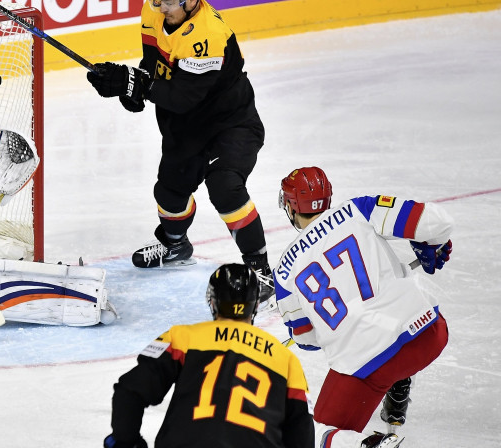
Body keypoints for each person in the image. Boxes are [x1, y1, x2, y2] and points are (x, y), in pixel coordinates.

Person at [84, 0, 272, 298]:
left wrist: (138, 85)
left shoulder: (207, 35)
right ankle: (176, 246)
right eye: (157, 0)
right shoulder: (152, 11)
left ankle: (260, 271)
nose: (161, 7)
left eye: (169, 2)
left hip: (229, 123)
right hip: (184, 127)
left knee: (225, 186)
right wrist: (131, 87)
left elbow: (184, 97)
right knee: (169, 193)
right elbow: (154, 64)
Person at [274, 167, 453, 448]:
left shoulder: (284, 271)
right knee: (396, 312)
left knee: (320, 431)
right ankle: (398, 382)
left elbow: (307, 340)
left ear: (291, 206)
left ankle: (366, 445)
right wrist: (430, 245)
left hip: (368, 366)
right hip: (428, 335)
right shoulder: (359, 209)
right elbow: (438, 222)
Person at [104, 263, 314, 448]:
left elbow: (129, 392)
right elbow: (301, 433)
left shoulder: (183, 337)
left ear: (213, 302)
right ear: (255, 305)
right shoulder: (286, 360)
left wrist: (126, 441)